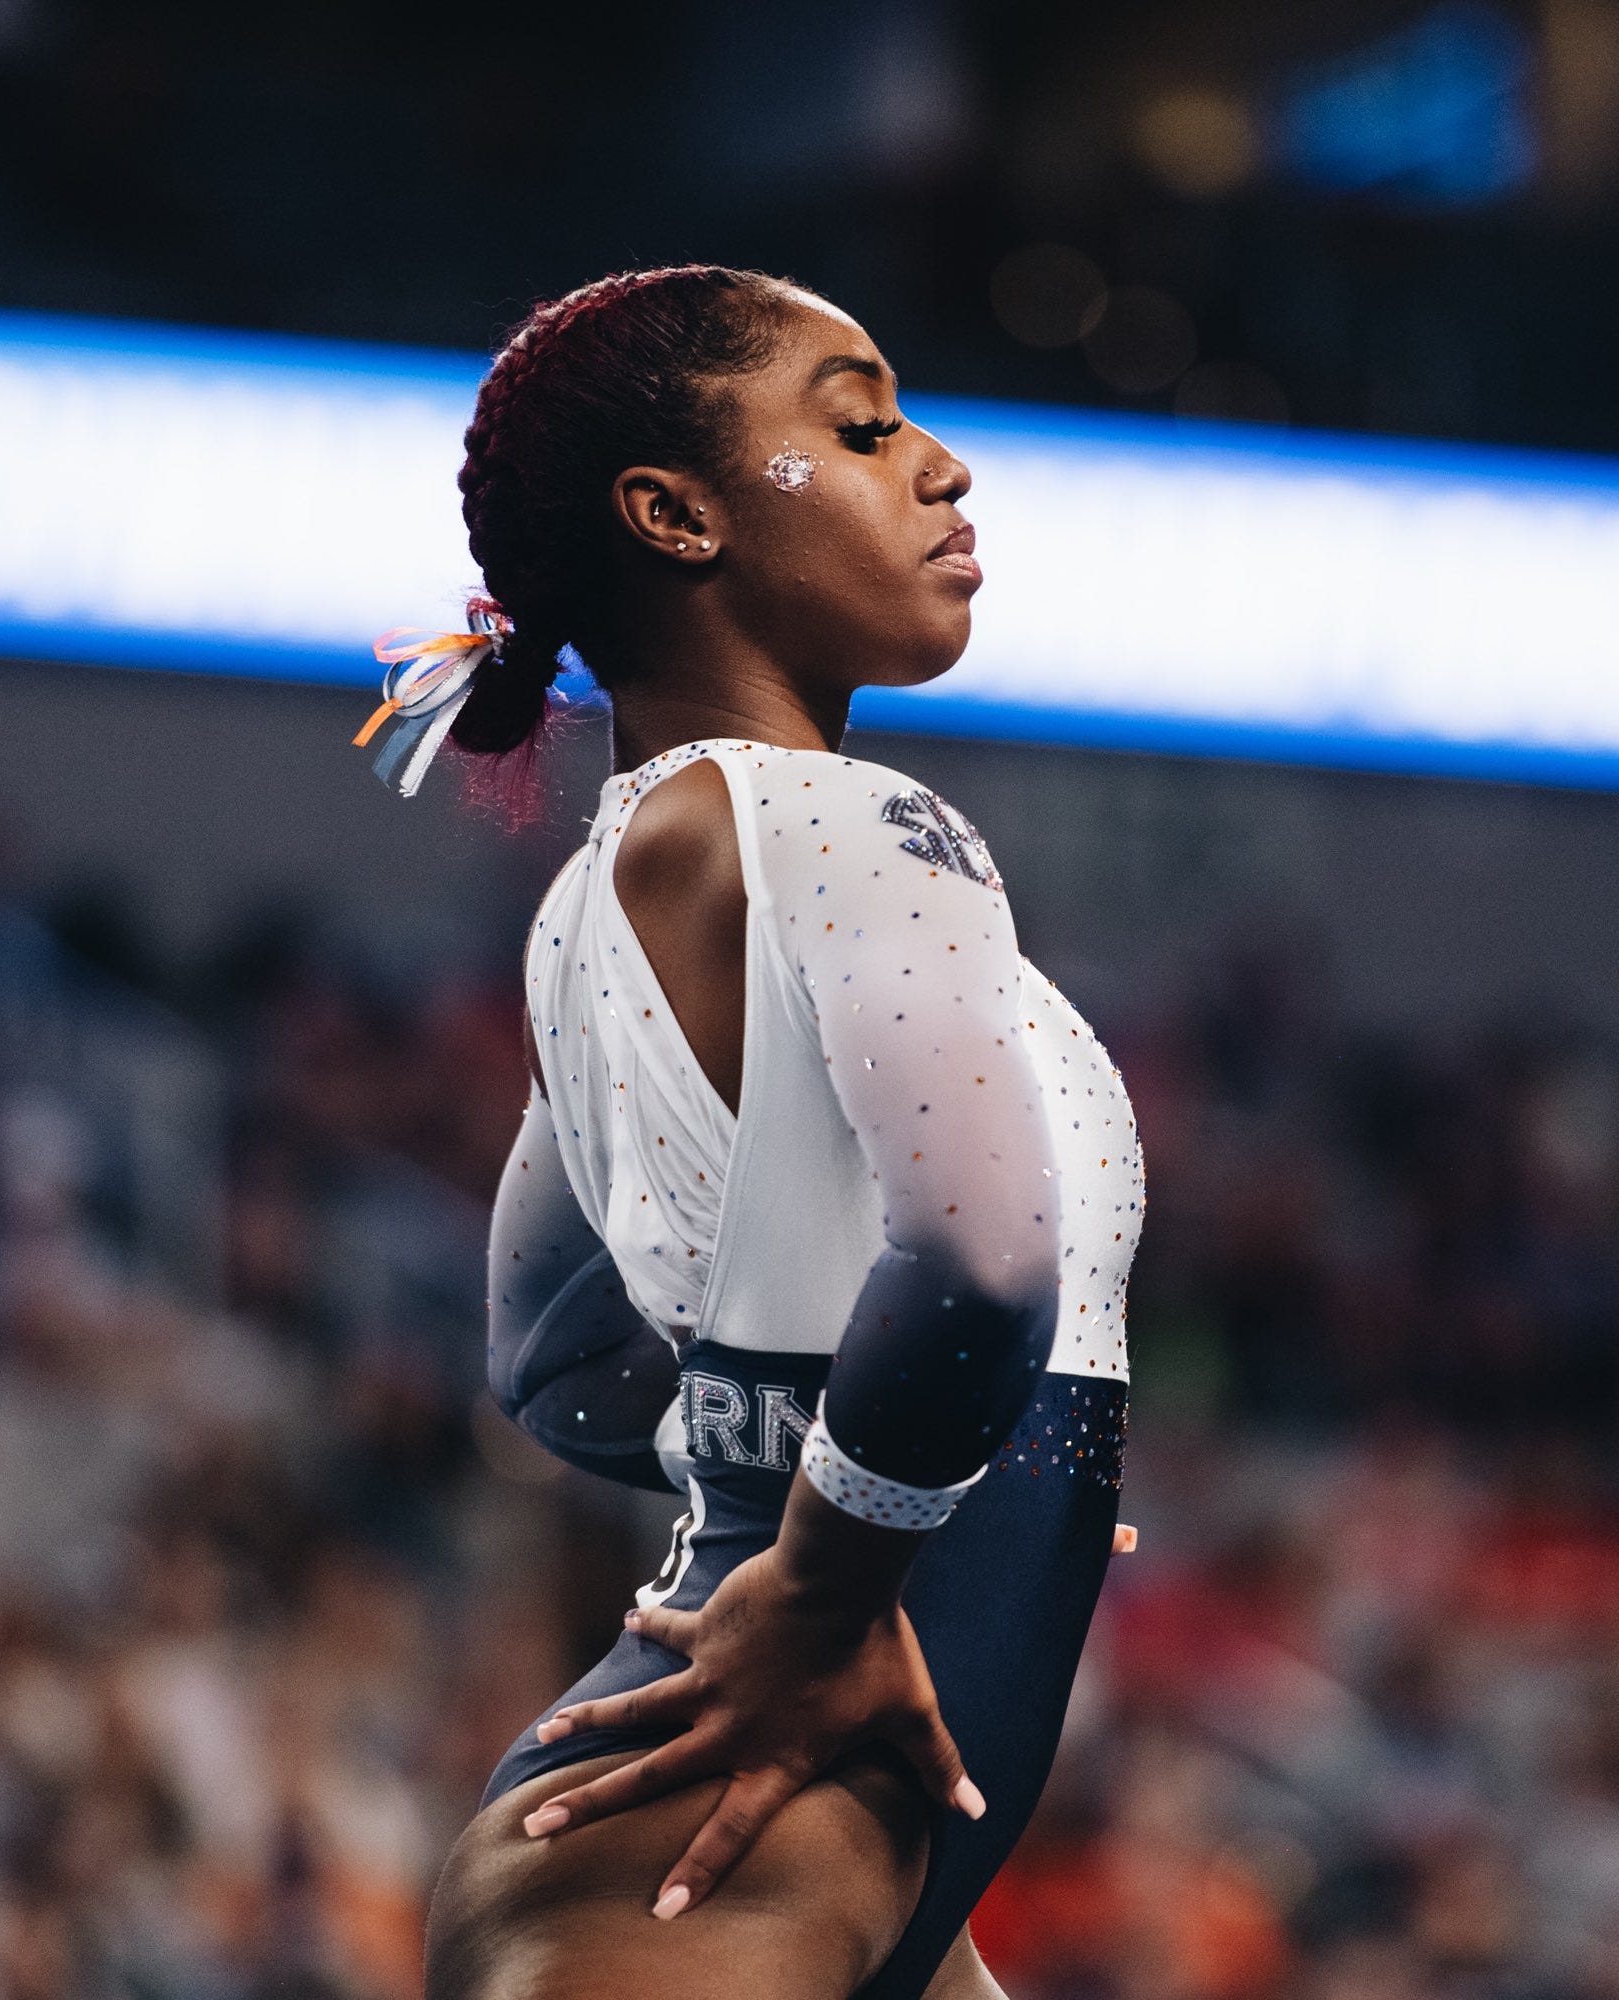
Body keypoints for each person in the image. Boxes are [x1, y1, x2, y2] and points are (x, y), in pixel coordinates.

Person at [399, 268, 1143, 2000]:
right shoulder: (851, 820)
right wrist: (824, 1577)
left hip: (772, 1812)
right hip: (736, 1807)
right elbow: (979, 1265)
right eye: (864, 424)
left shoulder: (600, 889)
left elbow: (558, 1358)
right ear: (674, 515)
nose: (943, 463)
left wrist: (788, 1487)